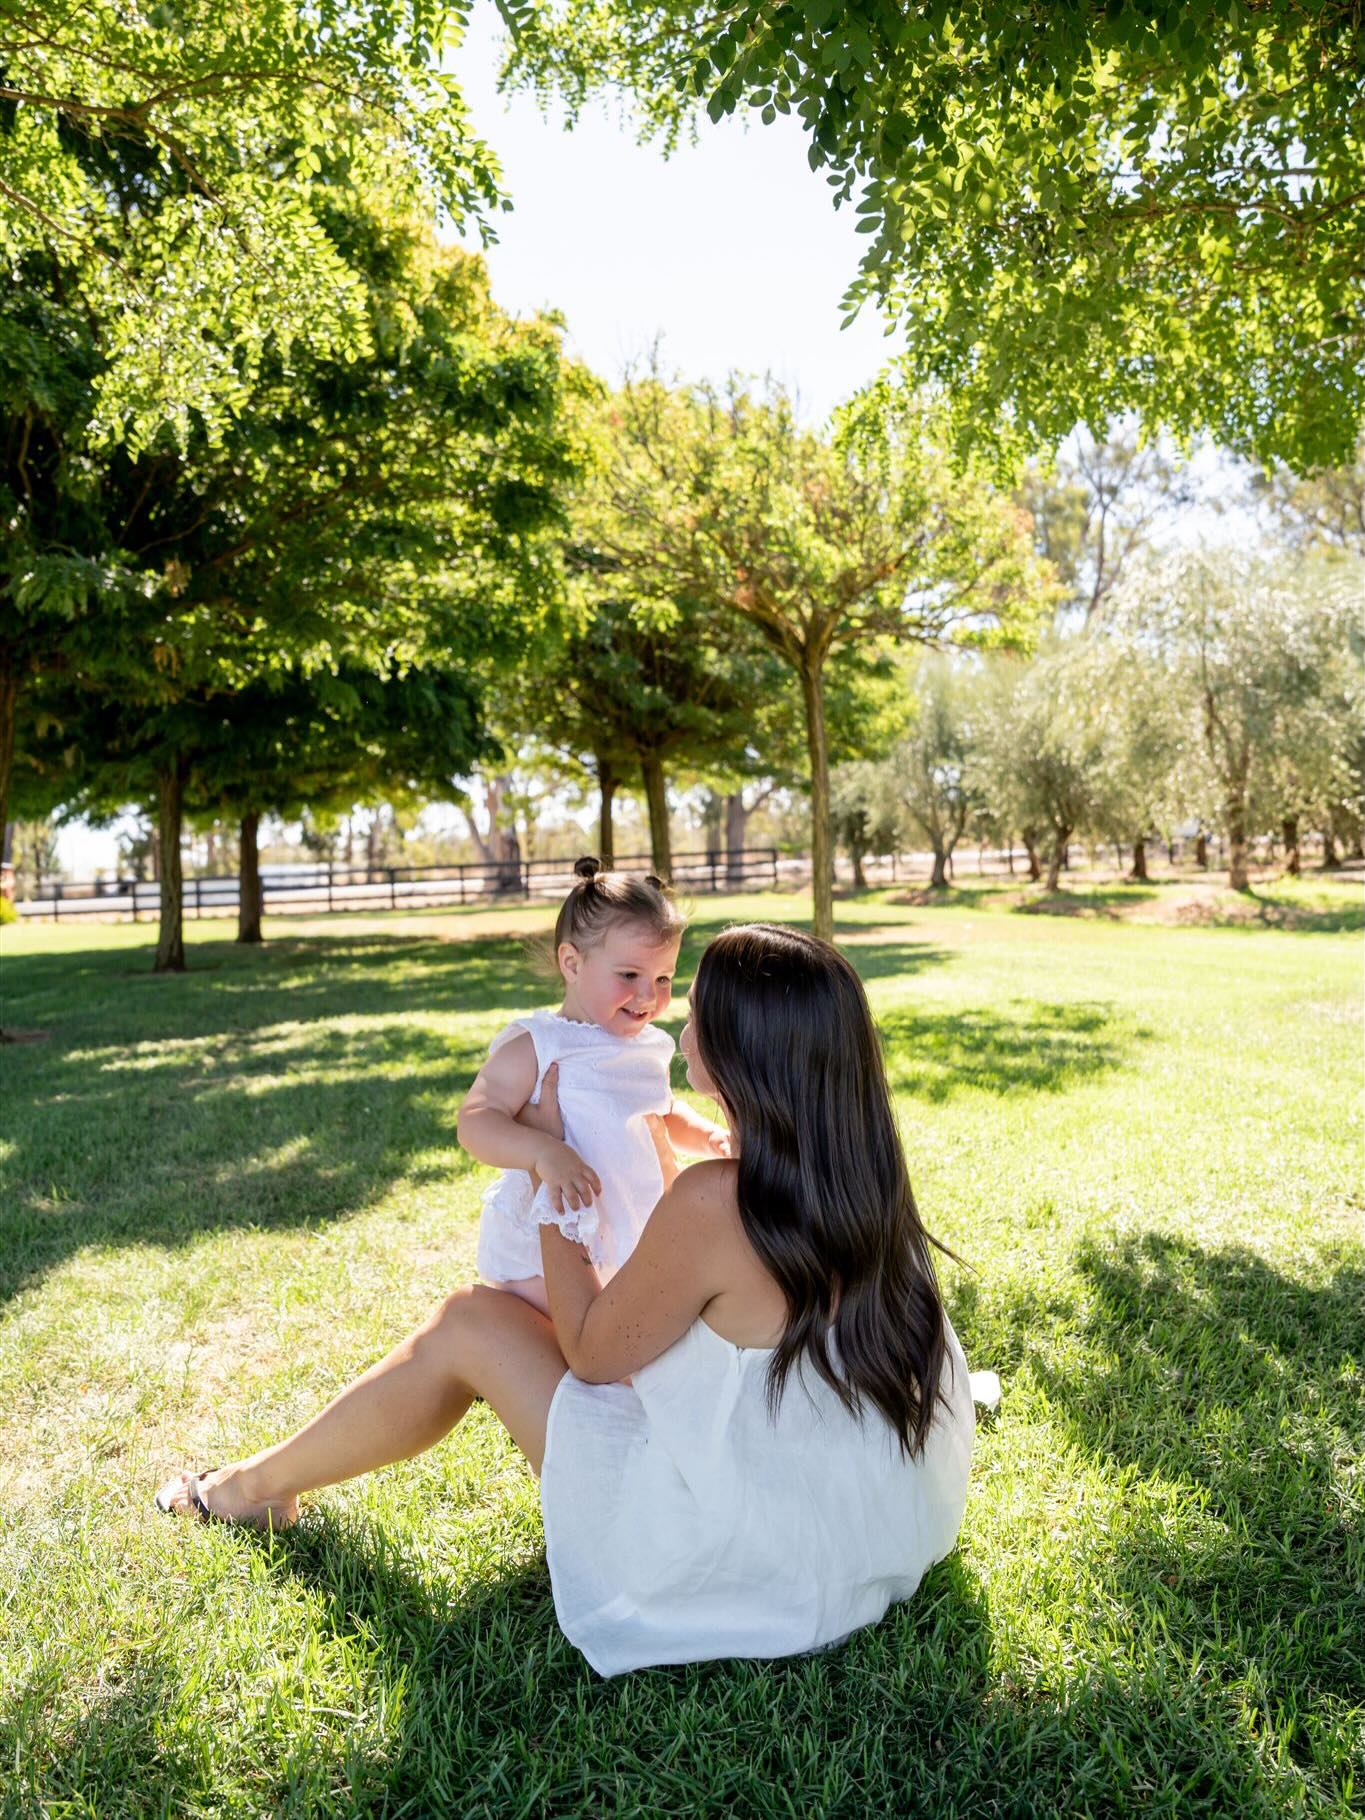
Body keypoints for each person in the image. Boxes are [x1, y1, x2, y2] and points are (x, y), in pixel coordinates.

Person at [156, 923, 975, 1677]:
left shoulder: (716, 1199)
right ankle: (258, 1487)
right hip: (865, 1518)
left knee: (471, 1321)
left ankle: (247, 1492)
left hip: (738, 1551)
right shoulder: (861, 1168)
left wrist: (555, 1174)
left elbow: (587, 1349)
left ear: (738, 1054)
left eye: (693, 1013)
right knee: (513, 1330)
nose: (671, 1021)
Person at [458, 856, 727, 1315]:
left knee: (625, 1324)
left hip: (625, 1221)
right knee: (562, 1336)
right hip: (544, 1251)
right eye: (629, 976)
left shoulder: (649, 1045)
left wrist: (706, 1136)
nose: (649, 996)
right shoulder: (540, 1044)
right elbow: (477, 1119)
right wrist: (543, 1152)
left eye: (663, 978)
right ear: (572, 963)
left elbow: (659, 1112)